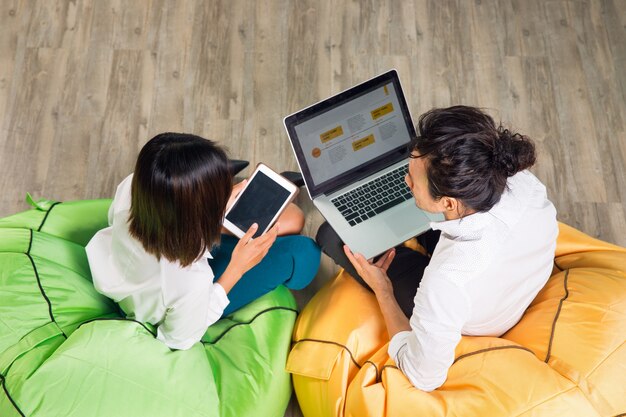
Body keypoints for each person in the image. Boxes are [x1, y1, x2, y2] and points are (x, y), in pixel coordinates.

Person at [316, 105, 558, 391]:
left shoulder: (446, 282)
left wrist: (383, 290)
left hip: (482, 315)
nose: (404, 181)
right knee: (409, 221)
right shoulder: (520, 180)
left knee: (331, 235)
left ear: (448, 203)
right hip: (506, 274)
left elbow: (424, 376)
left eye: (412, 181)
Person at [86, 132, 321, 350]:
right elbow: (179, 339)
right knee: (303, 251)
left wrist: (217, 204)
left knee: (291, 219)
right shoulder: (188, 281)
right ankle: (259, 197)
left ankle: (240, 196)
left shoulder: (135, 186)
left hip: (165, 249)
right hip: (182, 293)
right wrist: (236, 270)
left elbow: (117, 219)